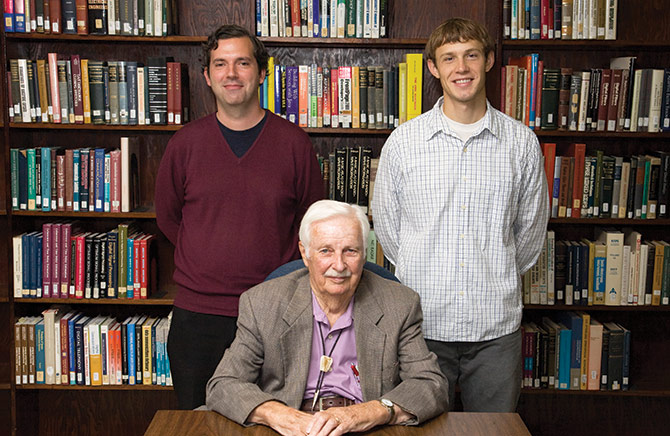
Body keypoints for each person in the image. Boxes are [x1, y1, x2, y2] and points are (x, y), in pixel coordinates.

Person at [371, 17, 549, 412]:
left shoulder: (520, 143)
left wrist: (493, 270)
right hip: (421, 326)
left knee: (493, 431)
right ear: (433, 68)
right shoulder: (403, 143)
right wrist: (426, 266)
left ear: (488, 61)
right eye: (449, 58)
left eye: (471, 55)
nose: (461, 68)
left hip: (495, 330)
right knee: (418, 426)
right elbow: (388, 230)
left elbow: (530, 235)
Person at [155, 24, 324, 410]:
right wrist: (210, 254)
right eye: (220, 64)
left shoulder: (294, 144)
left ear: (262, 73)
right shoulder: (184, 145)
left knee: (276, 421)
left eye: (242, 63)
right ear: (207, 76)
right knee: (198, 422)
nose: (231, 74)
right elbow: (168, 218)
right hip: (199, 318)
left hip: (276, 313)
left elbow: (312, 224)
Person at [205, 200, 448, 435]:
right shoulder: (262, 303)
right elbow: (224, 384)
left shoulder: (399, 304)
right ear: (305, 252)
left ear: (365, 254)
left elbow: (430, 385)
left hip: (368, 427)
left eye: (350, 251)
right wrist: (281, 416)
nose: (339, 265)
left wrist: (371, 411)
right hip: (292, 427)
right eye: (326, 251)